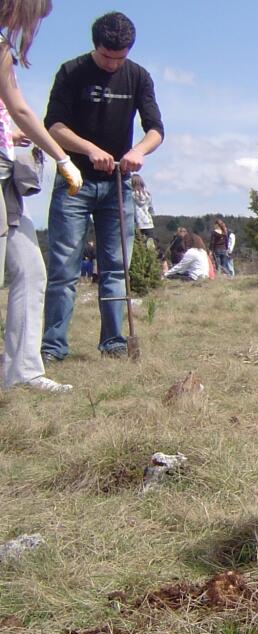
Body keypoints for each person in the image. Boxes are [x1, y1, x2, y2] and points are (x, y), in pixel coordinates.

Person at [41, 11, 164, 362]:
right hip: (74, 184)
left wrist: (137, 152)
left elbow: (156, 129)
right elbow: (54, 126)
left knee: (115, 267)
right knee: (64, 268)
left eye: (120, 58)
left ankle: (113, 343)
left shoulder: (138, 76)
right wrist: (89, 149)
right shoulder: (71, 72)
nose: (113, 64)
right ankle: (53, 348)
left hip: (117, 185)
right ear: (95, 46)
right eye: (107, 57)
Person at [0, 0, 83, 393]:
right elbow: (20, 108)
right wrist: (62, 158)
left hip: (7, 182)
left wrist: (9, 135)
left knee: (31, 271)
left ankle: (23, 371)